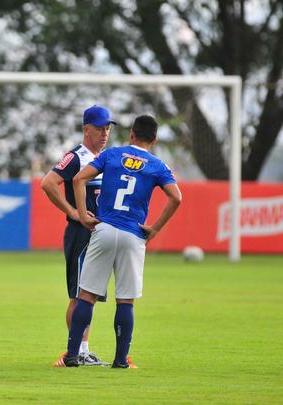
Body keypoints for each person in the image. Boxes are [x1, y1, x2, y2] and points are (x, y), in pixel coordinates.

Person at [58, 114, 182, 368]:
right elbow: (176, 198)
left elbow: (79, 178)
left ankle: (72, 355)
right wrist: (155, 229)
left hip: (103, 229)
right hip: (133, 234)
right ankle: (120, 360)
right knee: (125, 300)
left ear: (132, 135)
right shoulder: (158, 165)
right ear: (155, 140)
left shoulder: (112, 155)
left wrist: (82, 214)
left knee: (87, 296)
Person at [41, 105, 116, 366]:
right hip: (80, 235)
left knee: (90, 294)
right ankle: (75, 351)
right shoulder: (76, 158)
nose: (105, 133)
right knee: (78, 294)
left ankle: (84, 350)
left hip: (100, 235)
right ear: (86, 130)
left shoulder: (106, 159)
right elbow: (48, 183)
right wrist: (73, 212)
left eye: (107, 128)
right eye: (99, 128)